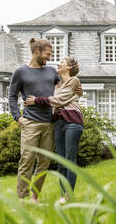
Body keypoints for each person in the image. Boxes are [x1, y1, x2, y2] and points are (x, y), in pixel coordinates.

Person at [8, 38, 81, 203]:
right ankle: (21, 197)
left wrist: (78, 91)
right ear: (37, 52)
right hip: (30, 122)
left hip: (49, 123)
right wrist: (17, 117)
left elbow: (65, 87)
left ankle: (35, 196)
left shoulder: (51, 72)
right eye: (47, 54)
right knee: (27, 159)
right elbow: (12, 96)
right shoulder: (20, 72)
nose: (49, 58)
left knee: (44, 162)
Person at [24, 57, 84, 204]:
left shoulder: (74, 81)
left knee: (70, 159)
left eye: (62, 62)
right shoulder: (57, 85)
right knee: (61, 161)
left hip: (72, 122)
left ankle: (68, 195)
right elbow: (53, 98)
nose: (58, 64)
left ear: (69, 67)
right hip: (58, 123)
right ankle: (64, 194)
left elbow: (59, 100)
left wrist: (37, 100)